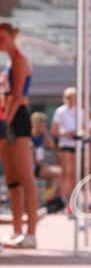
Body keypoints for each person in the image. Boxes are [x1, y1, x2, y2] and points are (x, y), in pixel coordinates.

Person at [0, 22, 39, 249]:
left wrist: (7, 122)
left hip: (18, 119)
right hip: (7, 119)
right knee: (13, 180)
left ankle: (31, 233)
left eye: (3, 38)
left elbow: (16, 96)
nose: (1, 43)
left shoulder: (21, 60)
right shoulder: (8, 62)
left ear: (14, 36)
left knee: (26, 177)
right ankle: (16, 231)